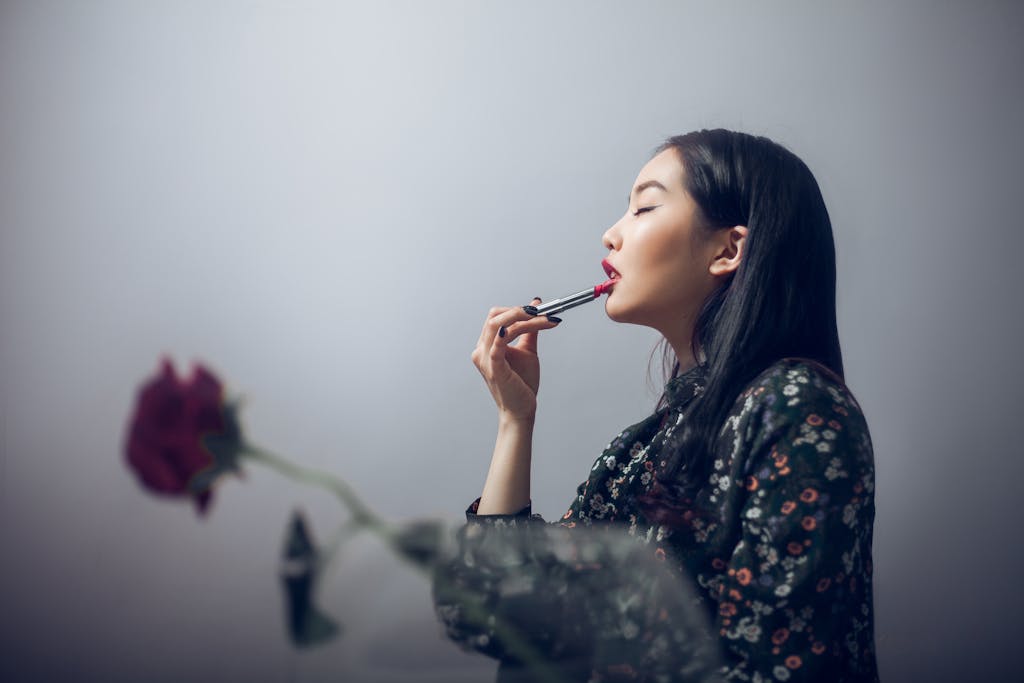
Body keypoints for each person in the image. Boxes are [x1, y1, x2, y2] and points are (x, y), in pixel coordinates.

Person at [432, 129, 879, 682]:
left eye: (644, 207)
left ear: (728, 250)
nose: (611, 235)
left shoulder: (796, 408)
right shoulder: (649, 443)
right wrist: (514, 419)